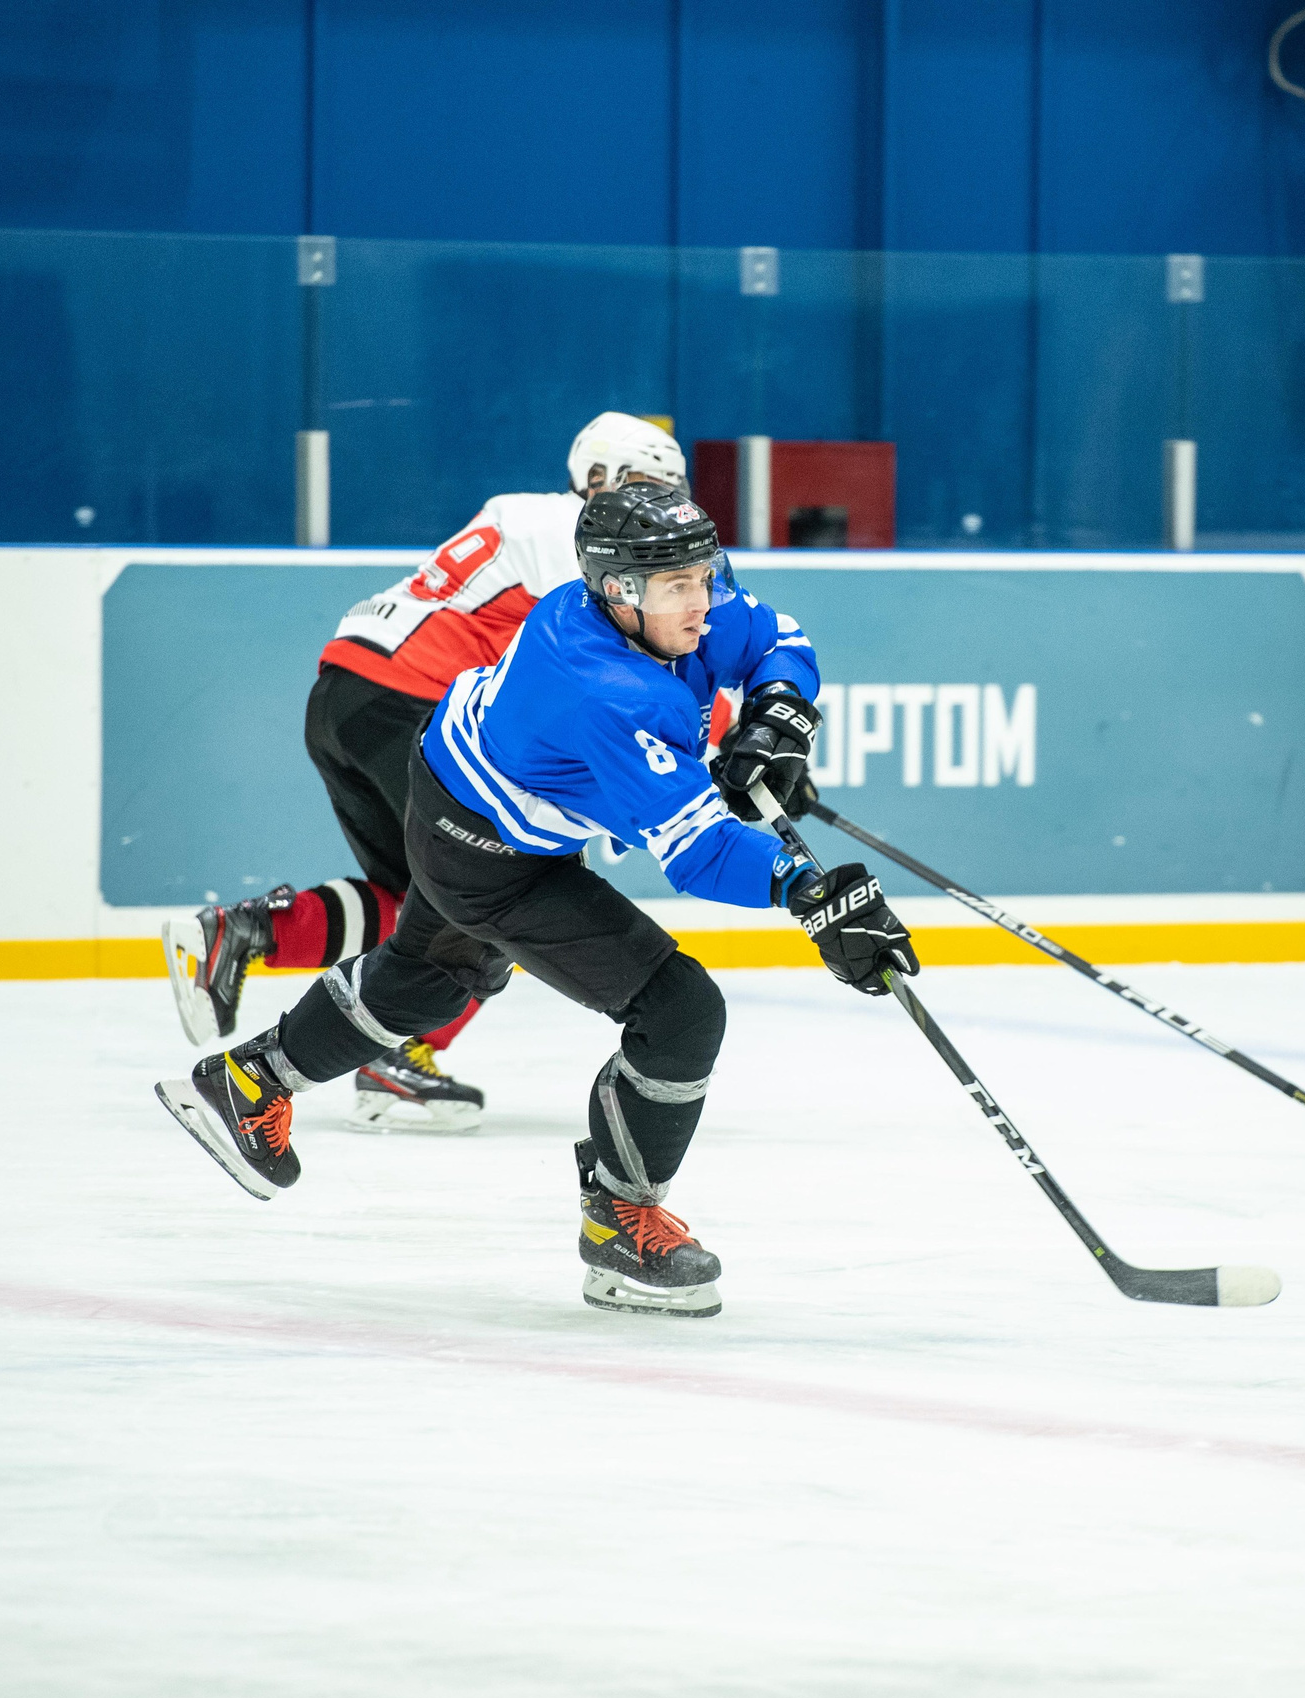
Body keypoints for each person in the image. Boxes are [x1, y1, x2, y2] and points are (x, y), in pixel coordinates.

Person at [154, 484, 918, 1318]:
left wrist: (778, 716)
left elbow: (778, 638)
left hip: (455, 786)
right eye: (680, 585)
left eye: (706, 574)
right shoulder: (609, 690)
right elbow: (699, 852)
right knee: (680, 1011)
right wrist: (807, 890)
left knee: (435, 975)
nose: (704, 600)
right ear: (620, 592)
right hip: (486, 849)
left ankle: (247, 1080)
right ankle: (621, 1223)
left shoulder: (661, 612)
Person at [160, 412, 692, 1135]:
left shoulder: (519, 513)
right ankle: (395, 1058)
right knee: (493, 897)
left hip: (346, 689)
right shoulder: (582, 536)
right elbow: (639, 663)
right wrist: (734, 735)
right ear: (601, 478)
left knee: (417, 900)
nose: (663, 507)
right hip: (417, 702)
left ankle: (249, 933)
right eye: (650, 485)